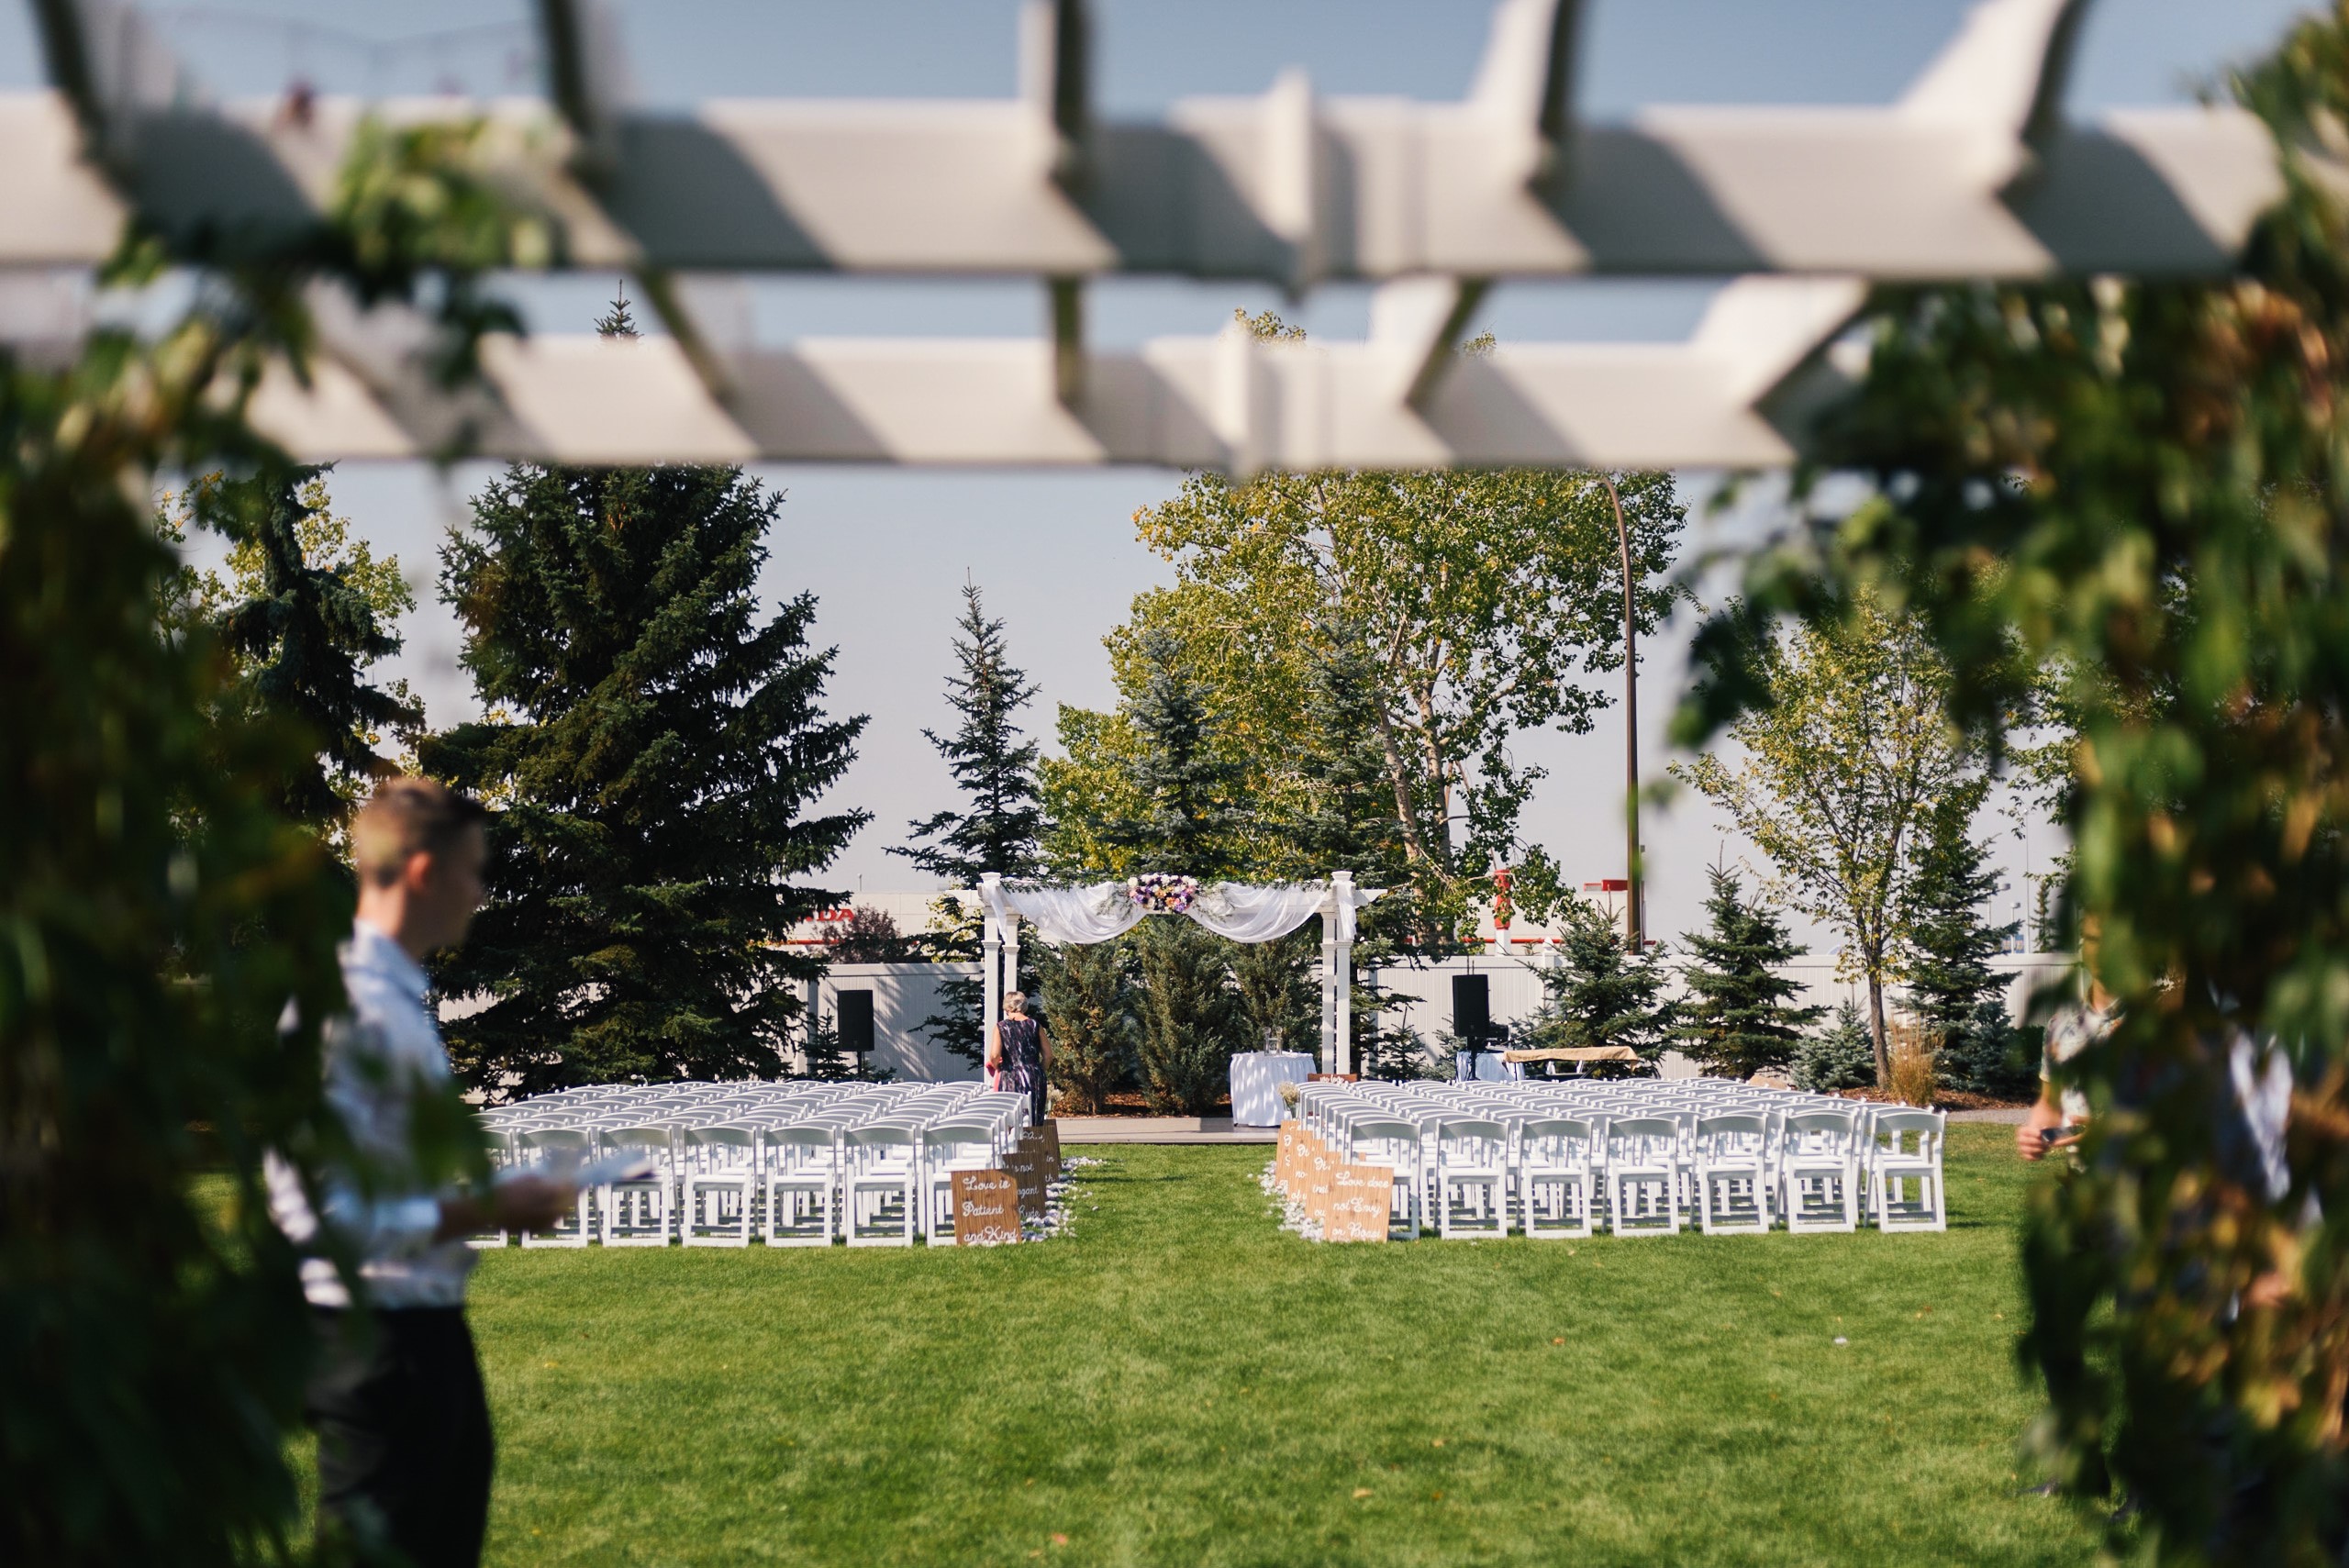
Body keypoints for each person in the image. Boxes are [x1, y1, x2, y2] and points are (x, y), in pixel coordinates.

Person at [266, 778, 574, 1568]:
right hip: (372, 1343)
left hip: (428, 1330)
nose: (481, 892)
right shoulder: (345, 1008)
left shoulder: (398, 1000)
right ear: (425, 871)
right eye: (473, 871)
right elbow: (312, 1213)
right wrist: (484, 1210)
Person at [987, 991, 1052, 1124]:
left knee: (1011, 1117)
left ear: (1007, 1007)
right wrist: (1039, 1070)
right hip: (1034, 1074)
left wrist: (997, 1067)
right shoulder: (1035, 1025)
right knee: (1034, 1116)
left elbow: (994, 1055)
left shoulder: (1001, 1027)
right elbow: (1048, 1056)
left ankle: (1013, 1136)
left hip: (1010, 1074)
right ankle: (1034, 1137)